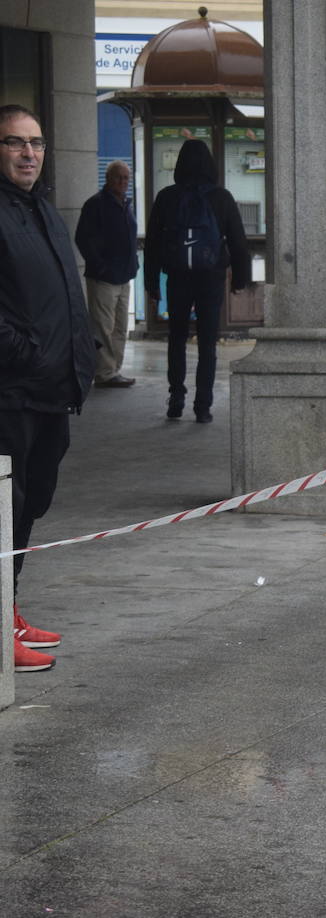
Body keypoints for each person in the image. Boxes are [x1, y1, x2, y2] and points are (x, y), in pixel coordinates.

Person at [0, 104, 96, 673]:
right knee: (4, 511)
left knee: (30, 506)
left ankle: (7, 607)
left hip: (51, 390)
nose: (28, 153)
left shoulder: (42, 210)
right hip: (11, 391)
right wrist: (26, 352)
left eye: (35, 142)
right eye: (14, 143)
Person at [144, 139, 249, 424]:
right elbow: (238, 242)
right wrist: (241, 280)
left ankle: (176, 399)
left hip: (177, 277)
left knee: (176, 338)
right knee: (207, 342)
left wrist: (151, 283)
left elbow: (153, 244)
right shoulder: (221, 198)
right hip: (210, 278)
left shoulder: (167, 197)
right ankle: (203, 406)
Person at [75, 159, 139, 388]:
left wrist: (134, 264)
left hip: (124, 277)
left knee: (121, 327)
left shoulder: (125, 204)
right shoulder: (96, 204)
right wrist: (100, 266)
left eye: (126, 178)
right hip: (103, 278)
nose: (123, 182)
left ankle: (113, 370)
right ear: (108, 178)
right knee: (102, 327)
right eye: (118, 177)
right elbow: (82, 238)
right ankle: (104, 372)